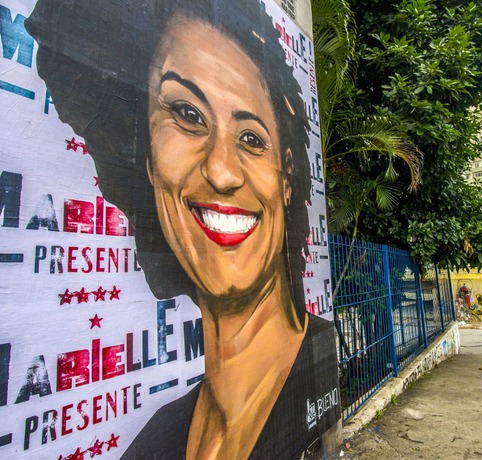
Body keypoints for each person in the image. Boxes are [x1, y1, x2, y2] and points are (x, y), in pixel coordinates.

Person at [25, 0, 339, 458]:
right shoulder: (152, 443)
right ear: (148, 157)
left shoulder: (320, 360)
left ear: (287, 176)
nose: (221, 170)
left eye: (251, 138)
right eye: (188, 115)